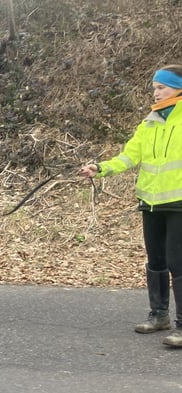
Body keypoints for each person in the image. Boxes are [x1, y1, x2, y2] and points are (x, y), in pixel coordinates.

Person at [78, 64, 182, 348]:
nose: (156, 92)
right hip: (150, 202)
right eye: (154, 88)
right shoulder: (150, 121)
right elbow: (128, 157)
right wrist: (99, 168)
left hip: (179, 203)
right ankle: (159, 316)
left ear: (178, 87)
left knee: (178, 262)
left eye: (162, 87)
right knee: (156, 261)